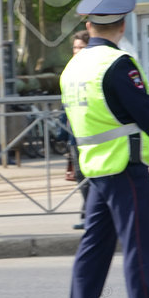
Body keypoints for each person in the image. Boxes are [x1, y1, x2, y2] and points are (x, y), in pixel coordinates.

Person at [61, 0, 149, 298]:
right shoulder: (118, 64)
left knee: (94, 246)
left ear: (89, 24)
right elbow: (145, 114)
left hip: (94, 169)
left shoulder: (73, 66)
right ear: (123, 24)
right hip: (124, 167)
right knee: (140, 246)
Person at [69, 30, 91, 230]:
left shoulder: (94, 69)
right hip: (73, 134)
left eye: (81, 47)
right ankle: (88, 214)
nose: (77, 51)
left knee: (91, 177)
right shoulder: (69, 70)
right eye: (75, 47)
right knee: (80, 176)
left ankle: (89, 215)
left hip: (92, 133)